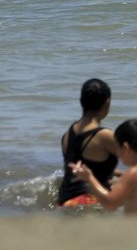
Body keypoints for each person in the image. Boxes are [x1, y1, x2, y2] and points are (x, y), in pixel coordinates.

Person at [70, 118, 137, 215]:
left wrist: (89, 178)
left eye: (118, 148)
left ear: (125, 147)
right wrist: (121, 183)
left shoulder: (134, 173)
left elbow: (110, 205)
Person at [57, 78, 120, 208]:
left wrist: (121, 174)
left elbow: (92, 168)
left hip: (64, 200)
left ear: (81, 102)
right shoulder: (105, 136)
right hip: (88, 200)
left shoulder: (67, 135)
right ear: (107, 103)